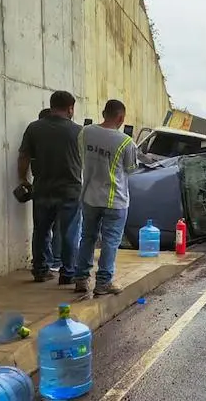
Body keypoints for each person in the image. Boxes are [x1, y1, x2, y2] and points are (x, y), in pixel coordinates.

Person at [74, 100, 138, 295]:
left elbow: (81, 155)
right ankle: (103, 282)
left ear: (103, 112)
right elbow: (131, 169)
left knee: (87, 237)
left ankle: (81, 279)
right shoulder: (126, 142)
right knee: (110, 241)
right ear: (121, 118)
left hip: (89, 197)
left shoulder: (85, 132)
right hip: (115, 200)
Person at [18, 91, 82, 283]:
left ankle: (40, 270)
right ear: (70, 108)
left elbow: (24, 156)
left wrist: (23, 179)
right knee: (69, 232)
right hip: (70, 190)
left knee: (41, 230)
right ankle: (68, 273)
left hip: (42, 188)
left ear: (52, 105)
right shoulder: (78, 131)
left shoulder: (34, 128)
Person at [33, 108, 62, 272]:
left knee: (41, 230)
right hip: (60, 190)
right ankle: (56, 262)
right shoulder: (57, 141)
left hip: (41, 189)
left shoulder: (36, 140)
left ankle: (42, 265)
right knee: (59, 228)